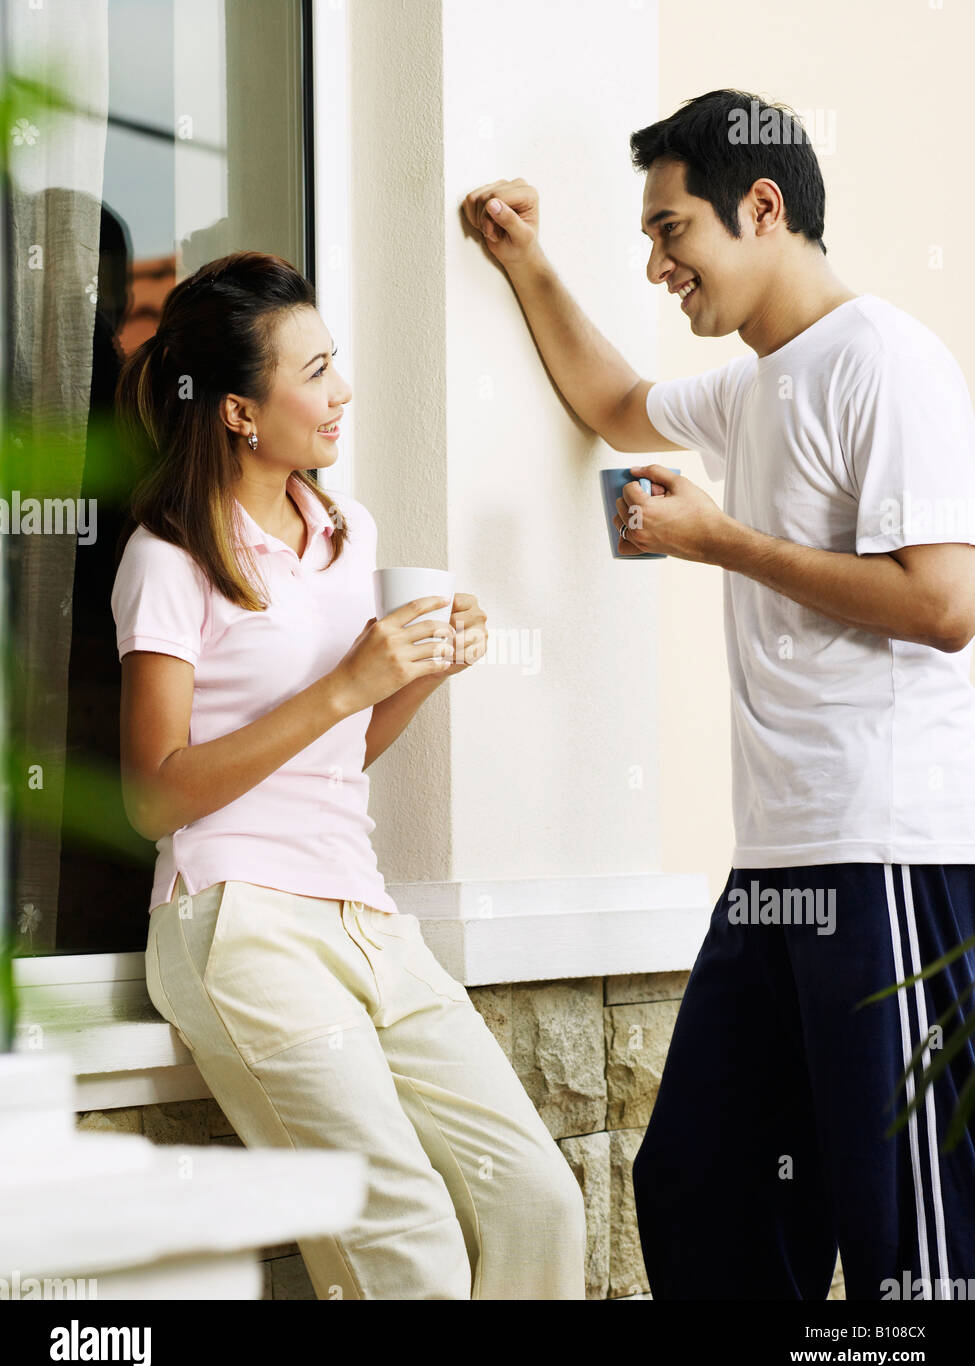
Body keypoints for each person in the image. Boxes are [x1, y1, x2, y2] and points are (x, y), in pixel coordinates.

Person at [463, 88, 975, 1301]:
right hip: (776, 865)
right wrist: (526, 258)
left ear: (761, 206)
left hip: (884, 856)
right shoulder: (751, 387)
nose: (658, 265)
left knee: (907, 1237)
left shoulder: (885, 361)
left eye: (672, 231)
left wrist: (722, 542)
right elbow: (610, 402)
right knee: (701, 1179)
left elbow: (947, 604)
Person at [110, 250, 586, 1301]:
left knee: (539, 1199)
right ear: (239, 410)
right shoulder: (171, 553)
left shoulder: (343, 531)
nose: (344, 390)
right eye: (315, 370)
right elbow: (154, 794)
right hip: (238, 922)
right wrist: (346, 683)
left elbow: (336, 756)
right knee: (406, 1237)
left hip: (361, 915)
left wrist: (413, 675)